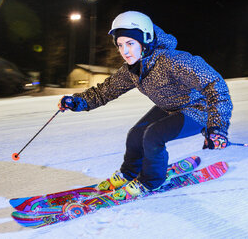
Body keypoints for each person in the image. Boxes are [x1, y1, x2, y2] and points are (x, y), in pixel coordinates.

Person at [58, 11, 232, 200]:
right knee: (136, 134)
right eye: (120, 45)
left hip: (198, 110)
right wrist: (77, 102)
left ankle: (151, 181)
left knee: (153, 135)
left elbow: (214, 84)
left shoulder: (173, 60)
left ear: (146, 39)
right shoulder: (133, 69)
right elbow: (104, 92)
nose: (125, 51)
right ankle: (129, 173)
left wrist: (217, 127)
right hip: (169, 108)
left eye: (130, 43)